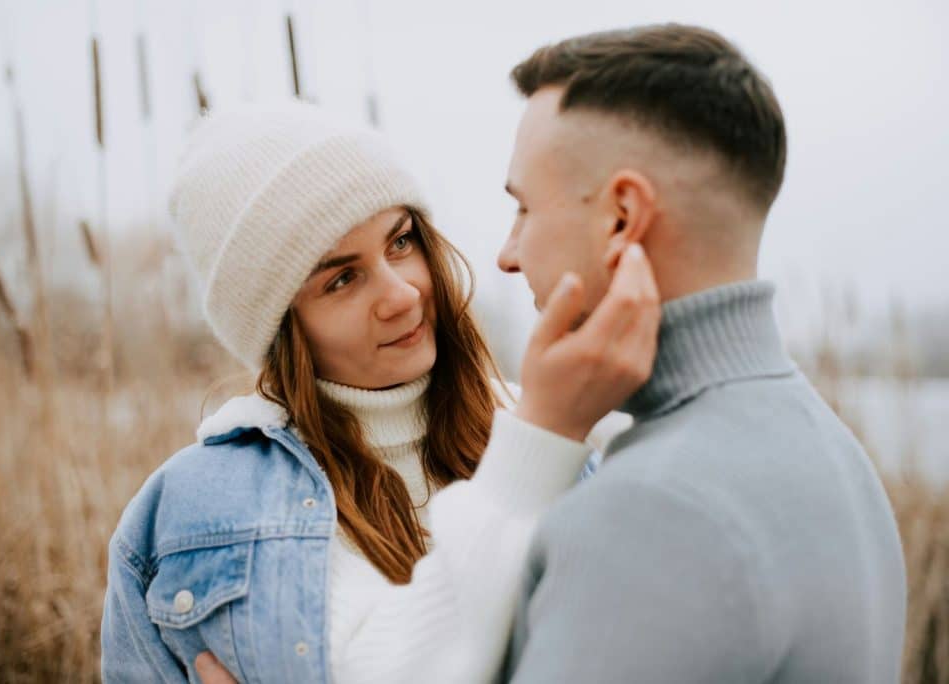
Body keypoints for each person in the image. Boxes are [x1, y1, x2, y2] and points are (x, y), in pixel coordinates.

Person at [100, 102, 660, 683]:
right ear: (280, 329)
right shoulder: (202, 512)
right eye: (342, 279)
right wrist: (541, 443)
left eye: (400, 242)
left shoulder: (580, 432)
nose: (402, 295)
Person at [496, 24, 908, 683]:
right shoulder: (836, 450)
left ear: (622, 217)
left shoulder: (653, 512)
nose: (508, 254)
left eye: (522, 209)